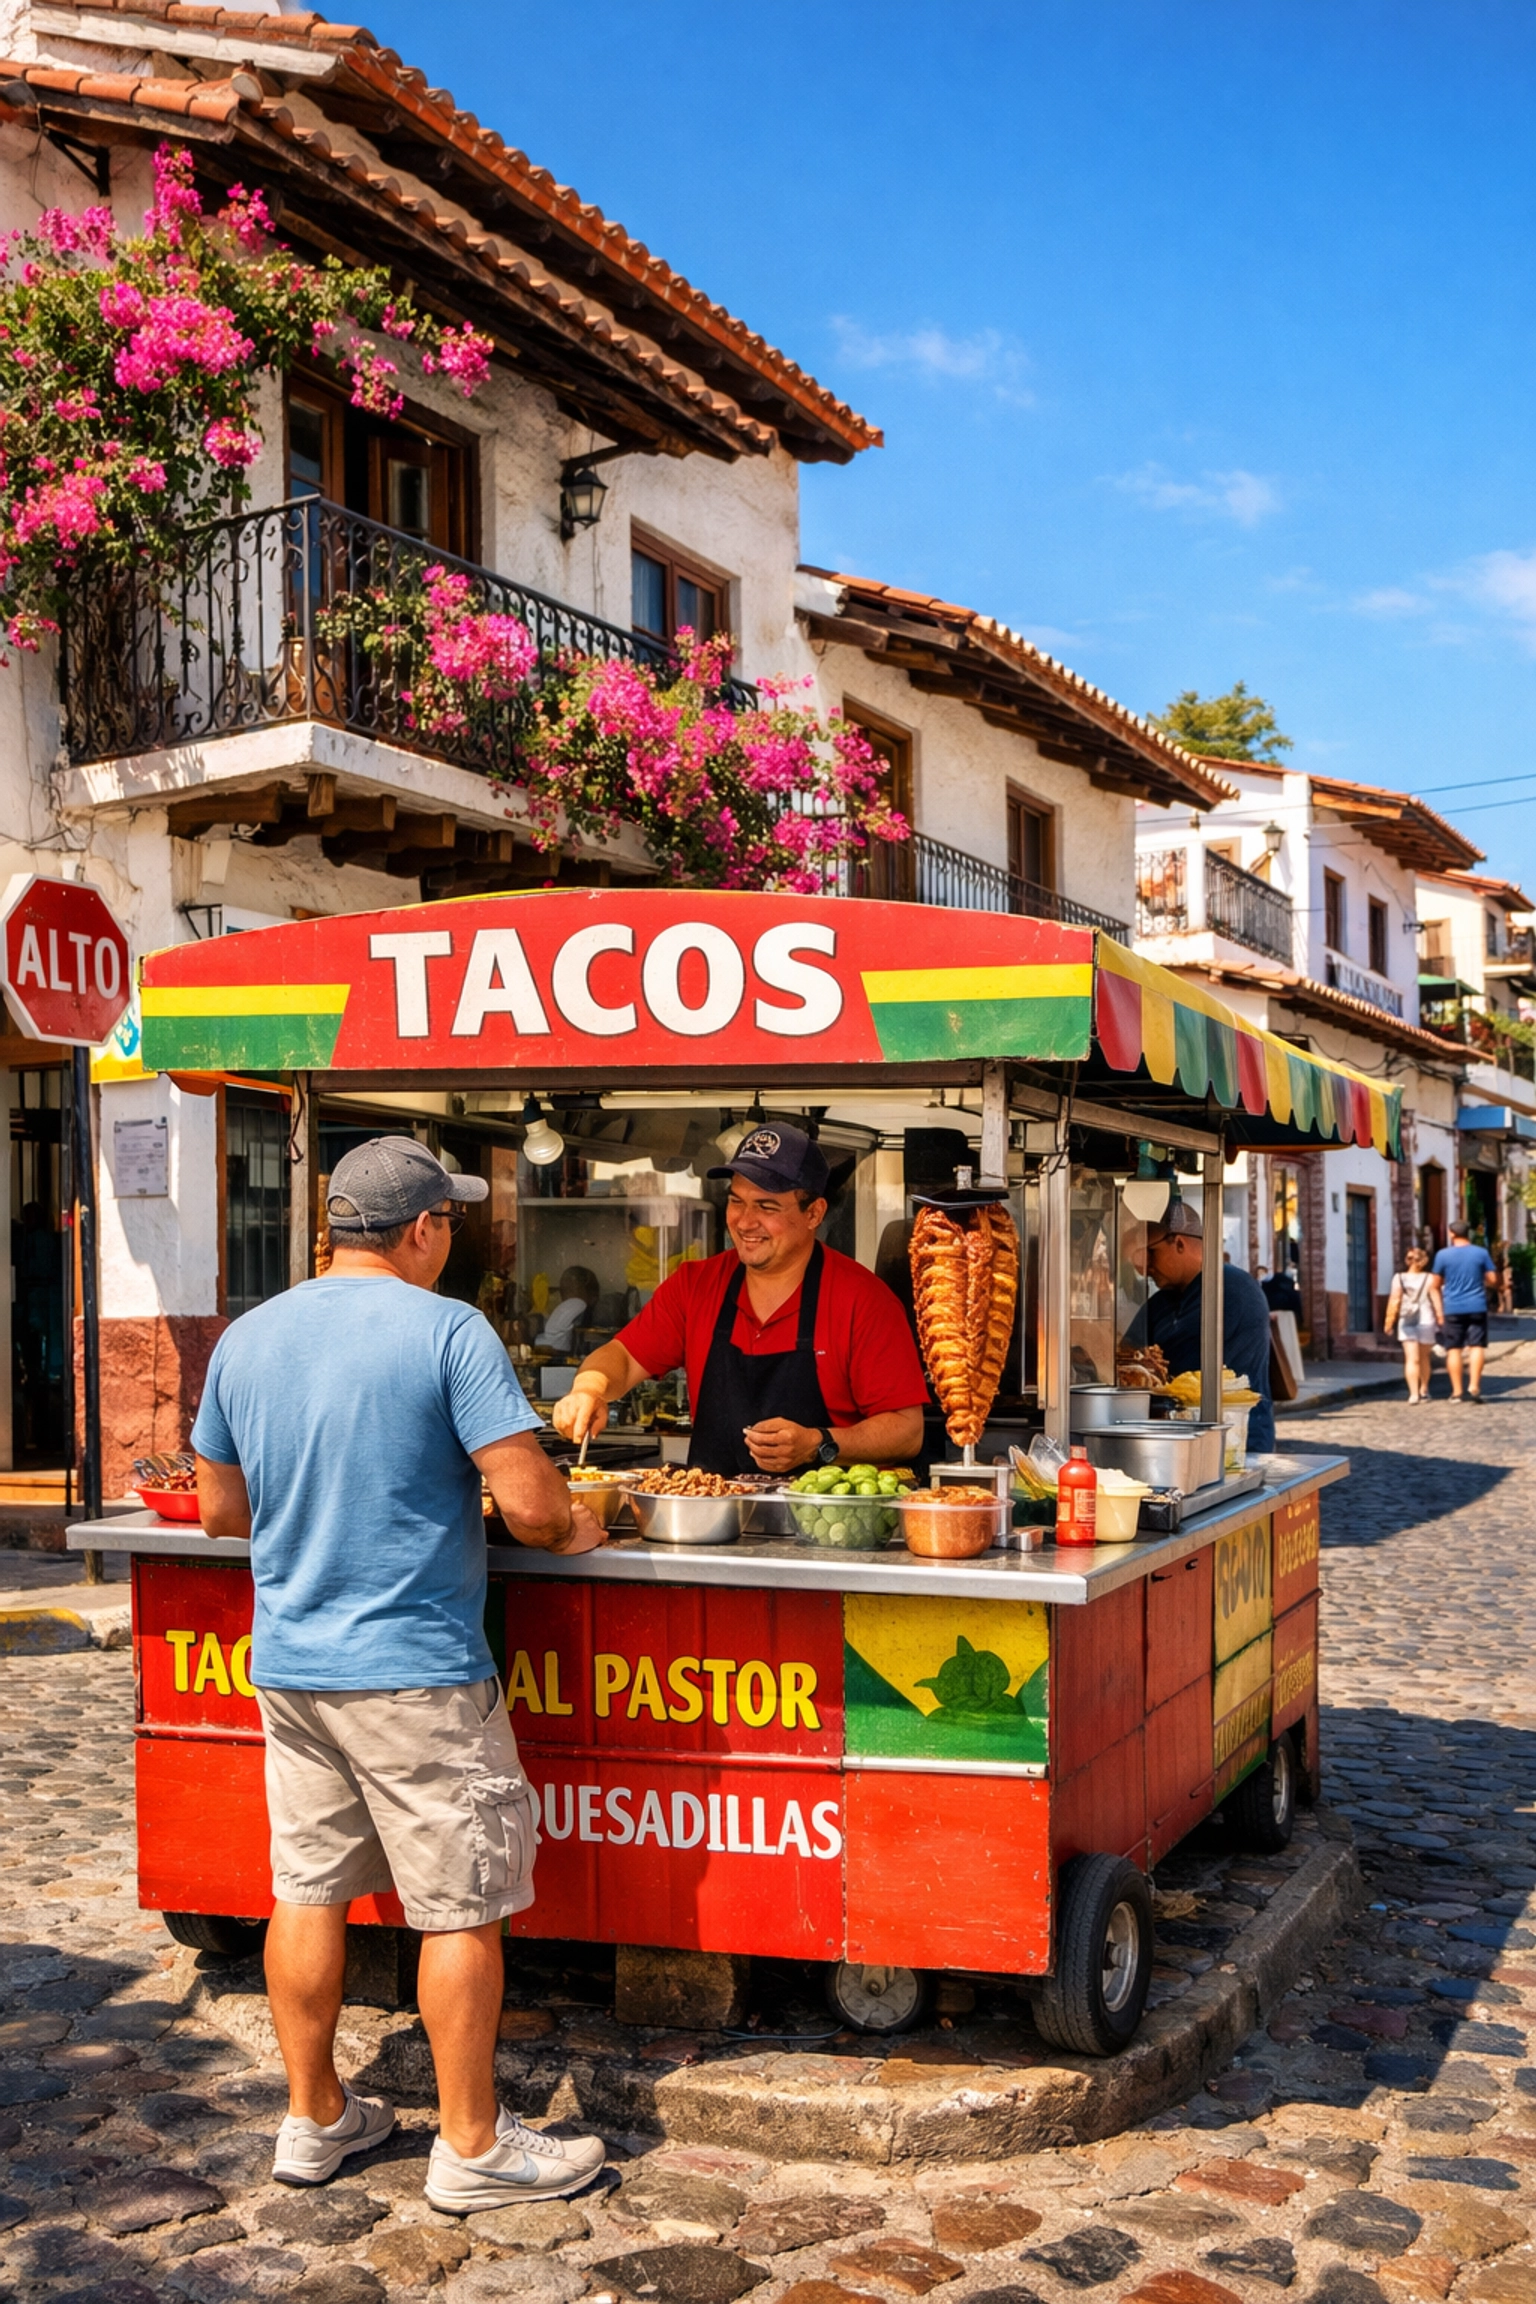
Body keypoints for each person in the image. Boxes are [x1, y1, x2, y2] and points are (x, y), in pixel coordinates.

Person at [192, 1137, 609, 2212]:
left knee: (307, 1889)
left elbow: (219, 1513)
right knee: (461, 1904)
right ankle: (471, 2144)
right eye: (449, 1226)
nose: (450, 1244)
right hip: (415, 1668)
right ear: (421, 1231)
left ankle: (315, 2115)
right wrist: (583, 1515)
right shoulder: (449, 1330)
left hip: (290, 1662)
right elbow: (532, 1508)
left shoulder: (248, 1336)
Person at [553, 1121, 927, 1475]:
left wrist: (819, 1442)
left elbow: (906, 1432)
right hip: (711, 1521)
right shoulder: (695, 1285)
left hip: (824, 1529)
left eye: (766, 1206)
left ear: (814, 1213)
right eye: (737, 1201)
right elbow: (621, 1357)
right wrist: (589, 1389)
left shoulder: (863, 1300)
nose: (745, 1222)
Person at [1123, 1201, 1275, 1452]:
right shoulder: (1163, 1301)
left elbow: (1178, 1371)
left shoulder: (1229, 1289)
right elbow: (1128, 1355)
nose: (1143, 1268)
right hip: (1186, 1438)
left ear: (1180, 1243)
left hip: (1233, 1441)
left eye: (1149, 1254)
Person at [1432, 1219, 1498, 1401]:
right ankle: (1475, 1385)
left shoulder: (1442, 1255)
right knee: (1476, 1346)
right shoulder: (1481, 1253)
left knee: (1454, 1349)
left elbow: (1434, 1284)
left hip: (1452, 1307)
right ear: (1468, 1233)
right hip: (1477, 1305)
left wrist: (1439, 1311)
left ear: (1451, 1233)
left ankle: (1457, 1392)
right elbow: (1493, 1279)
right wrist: (1482, 1281)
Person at [1384, 1244, 1443, 1404]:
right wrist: (1440, 1316)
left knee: (1411, 1358)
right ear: (1423, 1261)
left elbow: (1394, 1300)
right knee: (1424, 1357)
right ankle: (1424, 1389)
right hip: (1426, 1319)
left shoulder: (1398, 1278)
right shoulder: (1429, 1278)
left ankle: (1413, 1394)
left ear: (1407, 1260)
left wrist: (1389, 1321)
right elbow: (1435, 1297)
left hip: (1406, 1319)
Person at [536, 1266, 600, 1354]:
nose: (566, 1296)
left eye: (571, 1290)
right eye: (563, 1291)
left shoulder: (597, 1318)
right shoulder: (561, 1317)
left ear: (593, 1296)